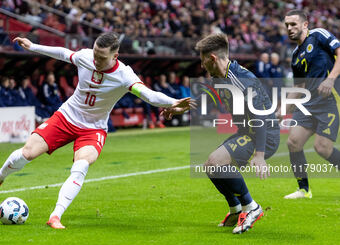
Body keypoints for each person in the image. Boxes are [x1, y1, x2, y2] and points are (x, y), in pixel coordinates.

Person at [0, 32, 193, 229]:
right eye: (95, 54)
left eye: (101, 58)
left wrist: (173, 102)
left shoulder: (124, 75)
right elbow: (62, 53)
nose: (96, 60)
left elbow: (147, 94)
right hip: (66, 117)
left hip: (93, 129)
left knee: (81, 165)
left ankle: (55, 215)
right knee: (27, 153)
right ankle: (0, 177)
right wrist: (33, 47)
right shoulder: (85, 57)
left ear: (115, 57)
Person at [164, 33, 280, 234]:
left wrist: (260, 155)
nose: (201, 66)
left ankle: (251, 207)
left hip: (264, 135)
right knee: (210, 166)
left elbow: (260, 117)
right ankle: (235, 209)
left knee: (217, 161)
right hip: (247, 131)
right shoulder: (219, 76)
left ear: (212, 58)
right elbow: (209, 96)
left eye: (202, 61)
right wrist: (183, 108)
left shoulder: (243, 79)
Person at [279, 10, 340, 199]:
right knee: (293, 142)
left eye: (294, 24)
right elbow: (299, 86)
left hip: (329, 99)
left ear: (305, 25)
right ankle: (304, 190)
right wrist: (284, 108)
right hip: (308, 103)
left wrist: (330, 79)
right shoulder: (296, 55)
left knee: (322, 148)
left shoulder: (318, 35)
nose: (289, 28)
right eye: (287, 25)